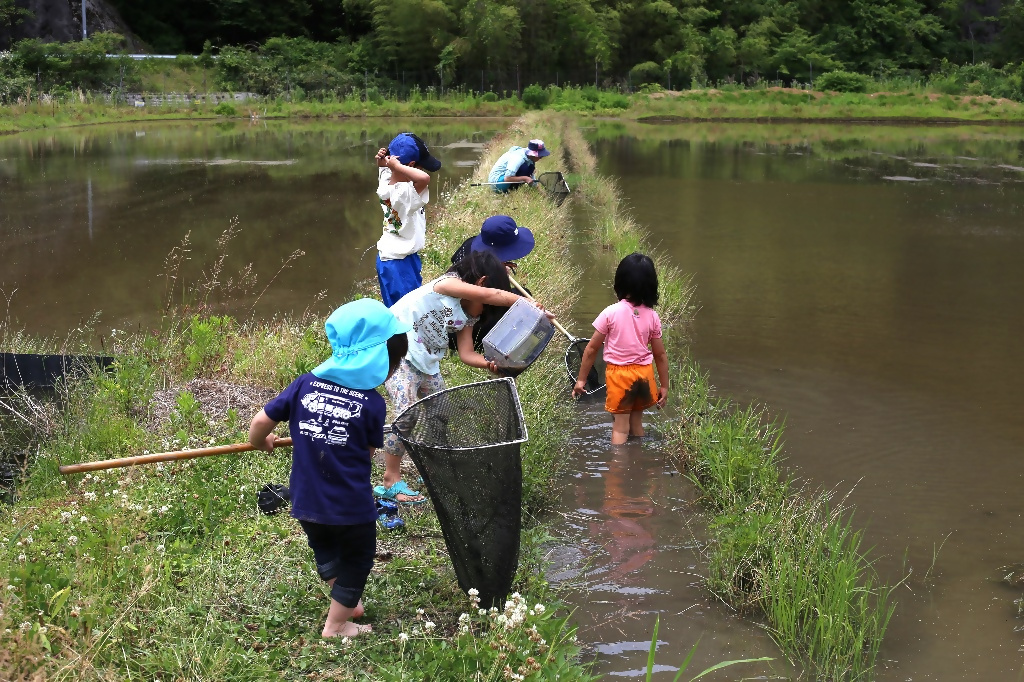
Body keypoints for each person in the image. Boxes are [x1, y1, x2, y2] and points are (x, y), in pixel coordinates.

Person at [248, 298, 411, 638]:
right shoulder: (372, 403)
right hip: (350, 506)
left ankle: (346, 601)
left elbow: (261, 421)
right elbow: (365, 455)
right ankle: (336, 625)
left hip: (305, 501)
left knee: (325, 547)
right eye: (392, 363)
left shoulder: (304, 383)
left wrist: (259, 442)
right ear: (377, 360)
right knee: (358, 558)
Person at [377, 250, 544, 503]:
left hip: (427, 360)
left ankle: (432, 468)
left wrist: (490, 364)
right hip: (399, 351)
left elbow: (466, 353)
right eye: (485, 300)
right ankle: (391, 479)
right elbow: (492, 295)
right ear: (480, 283)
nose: (485, 307)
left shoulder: (469, 314)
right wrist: (526, 303)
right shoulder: (446, 285)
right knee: (407, 413)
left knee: (440, 412)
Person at [572, 253, 669, 444]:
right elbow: (660, 355)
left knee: (620, 426)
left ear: (620, 283)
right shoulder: (652, 316)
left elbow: (591, 349)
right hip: (644, 375)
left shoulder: (610, 313)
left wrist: (581, 380)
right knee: (636, 423)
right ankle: (639, 460)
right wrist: (664, 385)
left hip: (620, 377)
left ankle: (619, 470)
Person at [448, 215, 536, 350]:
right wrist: (500, 272)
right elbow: (497, 297)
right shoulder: (487, 270)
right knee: (521, 303)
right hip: (462, 325)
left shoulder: (470, 245)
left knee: (521, 295)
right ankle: (498, 345)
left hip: (468, 307)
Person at [375, 132, 443, 307]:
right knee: (409, 311)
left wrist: (384, 163)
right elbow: (424, 179)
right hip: (399, 263)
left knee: (398, 308)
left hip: (395, 257)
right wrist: (396, 166)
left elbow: (383, 169)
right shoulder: (404, 194)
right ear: (412, 165)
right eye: (420, 166)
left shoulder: (386, 181)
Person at [487, 139, 551, 193]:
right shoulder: (518, 158)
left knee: (529, 168)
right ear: (533, 154)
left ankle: (512, 190)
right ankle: (508, 191)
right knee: (524, 168)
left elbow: (531, 178)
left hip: (505, 179)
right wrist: (525, 179)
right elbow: (507, 178)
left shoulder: (530, 159)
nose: (541, 157)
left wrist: (541, 193)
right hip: (497, 183)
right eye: (540, 156)